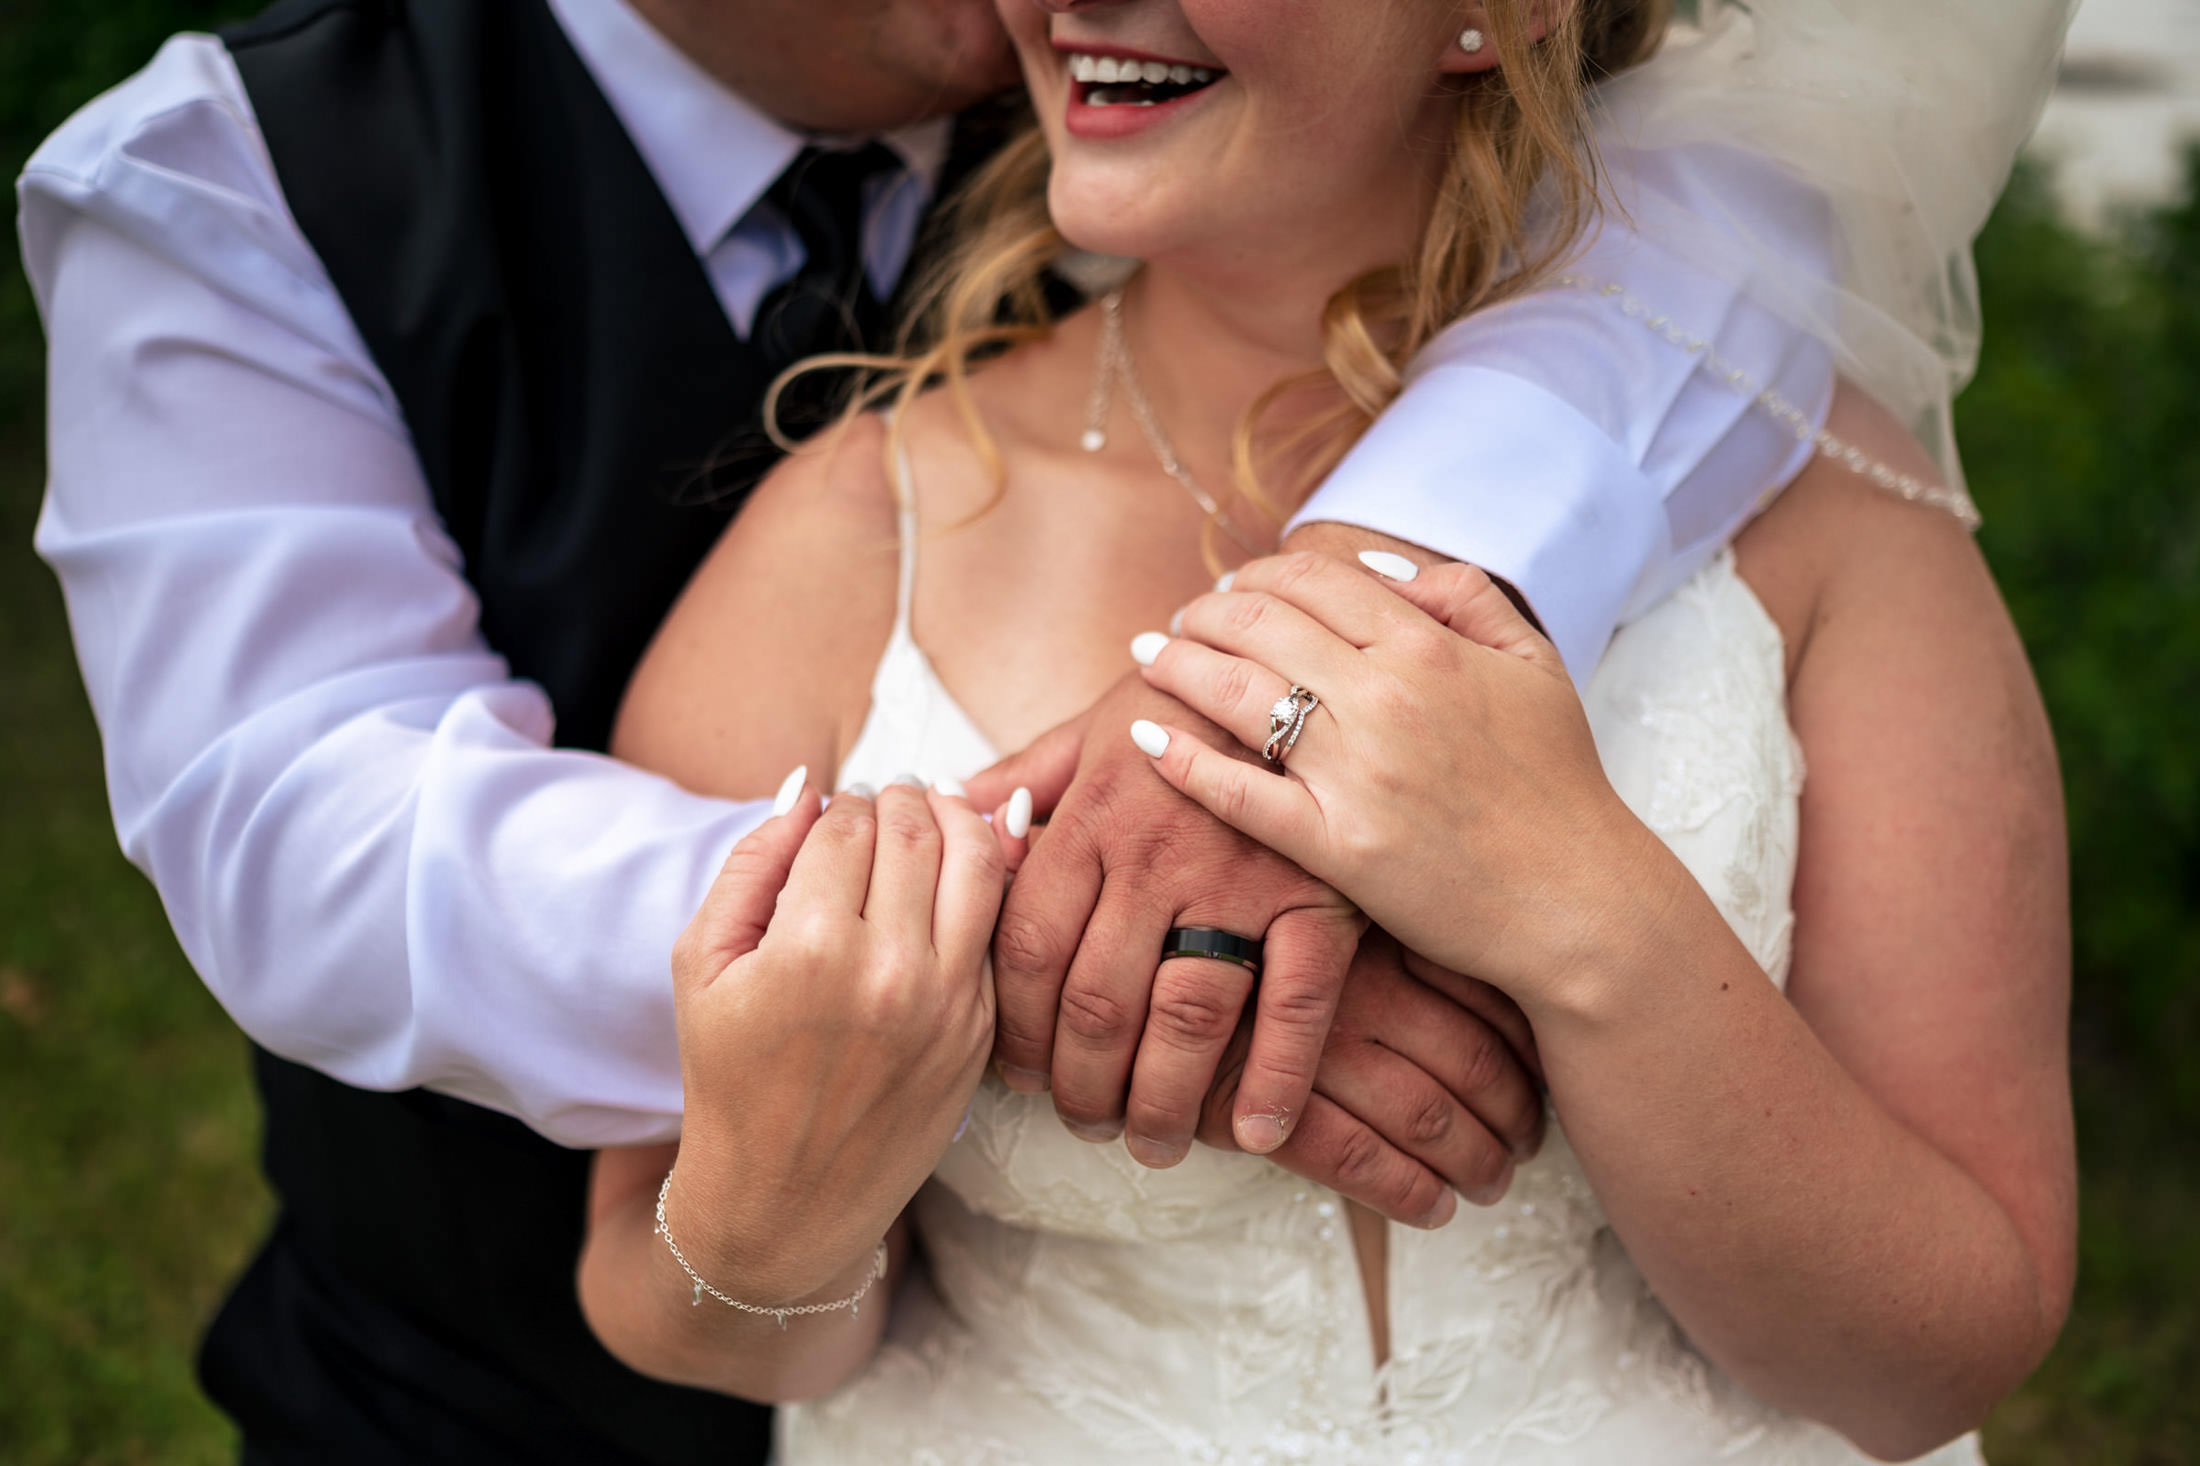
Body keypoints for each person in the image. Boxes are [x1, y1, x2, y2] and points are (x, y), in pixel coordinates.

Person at [23, 0, 1878, 1459]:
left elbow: (1733, 217)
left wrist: (1306, 648)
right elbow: (306, 830)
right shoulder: (227, 180)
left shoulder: (1174, 98)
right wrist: (1076, 920)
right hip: (478, 1389)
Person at [576, 0, 2075, 1459]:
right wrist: (770, 1218)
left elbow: (1931, 1368)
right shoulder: (851, 536)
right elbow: (664, 1297)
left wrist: (1587, 918)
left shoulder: (1818, 509)